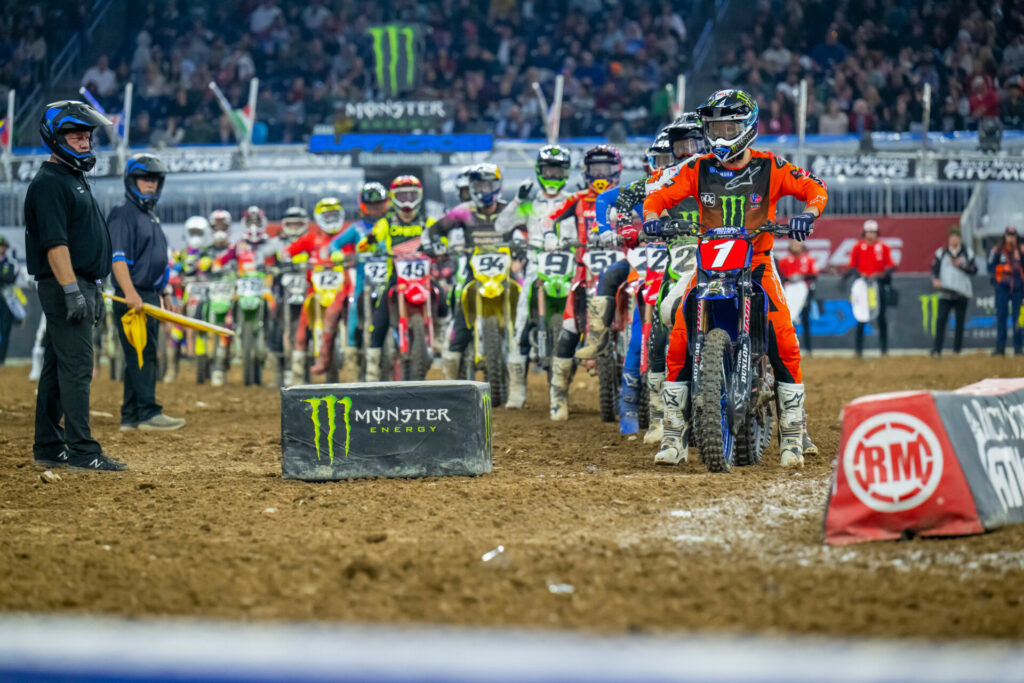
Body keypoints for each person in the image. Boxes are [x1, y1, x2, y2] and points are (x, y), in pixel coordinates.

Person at [643, 89, 828, 468]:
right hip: (708, 261)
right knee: (678, 336)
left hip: (757, 260)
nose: (722, 135)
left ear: (747, 126)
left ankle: (793, 435)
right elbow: (659, 195)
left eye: (729, 126)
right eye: (714, 127)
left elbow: (815, 187)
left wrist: (807, 215)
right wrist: (652, 217)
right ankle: (674, 436)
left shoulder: (770, 167)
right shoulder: (697, 168)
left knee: (783, 337)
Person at [24, 100, 124, 471]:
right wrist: (72, 290)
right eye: (77, 136)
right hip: (65, 284)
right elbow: (55, 243)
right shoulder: (50, 183)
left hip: (81, 282)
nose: (85, 143)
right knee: (77, 369)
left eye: (87, 137)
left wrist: (91, 285)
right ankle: (83, 450)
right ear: (57, 137)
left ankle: (49, 445)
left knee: (55, 367)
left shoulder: (70, 178)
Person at [108, 153, 186, 431]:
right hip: (133, 296)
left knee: (138, 355)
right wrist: (130, 293)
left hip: (149, 295)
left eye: (155, 180)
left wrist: (165, 293)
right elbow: (118, 259)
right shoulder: (123, 214)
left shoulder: (149, 216)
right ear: (131, 181)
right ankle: (149, 413)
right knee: (143, 355)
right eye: (145, 179)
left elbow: (154, 260)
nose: (151, 185)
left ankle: (130, 416)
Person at [545, 145, 622, 421]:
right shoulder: (577, 199)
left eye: (606, 169)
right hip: (583, 271)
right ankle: (558, 394)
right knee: (569, 328)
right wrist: (550, 237)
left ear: (616, 171)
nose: (600, 174)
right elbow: (549, 219)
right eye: (595, 170)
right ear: (586, 172)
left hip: (619, 270)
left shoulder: (624, 198)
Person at [495, 145, 573, 409]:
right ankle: (516, 391)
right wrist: (517, 200)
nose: (552, 174)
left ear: (566, 172)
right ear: (540, 171)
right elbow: (500, 226)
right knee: (520, 321)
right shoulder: (530, 204)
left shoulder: (573, 201)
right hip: (535, 265)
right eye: (548, 170)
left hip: (569, 263)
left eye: (557, 170)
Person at [430, 163, 511, 380]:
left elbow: (534, 226)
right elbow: (435, 229)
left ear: (498, 186)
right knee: (462, 321)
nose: (485, 191)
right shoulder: (464, 212)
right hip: (474, 275)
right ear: (472, 187)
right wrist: (437, 243)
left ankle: (532, 348)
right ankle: (450, 381)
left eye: (489, 185)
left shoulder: (508, 210)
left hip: (506, 275)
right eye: (479, 186)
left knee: (523, 311)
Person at [362, 176, 441, 381]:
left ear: (419, 197)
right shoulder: (386, 223)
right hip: (397, 277)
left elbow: (442, 238)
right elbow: (368, 241)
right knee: (379, 319)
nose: (407, 200)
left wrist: (441, 246)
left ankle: (442, 335)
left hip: (424, 276)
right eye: (402, 195)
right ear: (394, 198)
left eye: (411, 195)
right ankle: (372, 369)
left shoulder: (428, 222)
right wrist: (369, 243)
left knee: (446, 298)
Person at [309, 182, 391, 375]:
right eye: (372, 205)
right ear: (363, 206)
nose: (376, 209)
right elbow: (335, 244)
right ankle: (352, 355)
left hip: (388, 280)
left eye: (379, 204)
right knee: (354, 307)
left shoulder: (391, 226)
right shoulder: (358, 228)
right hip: (363, 283)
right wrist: (336, 254)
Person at [848, 220, 896, 357]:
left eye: (873, 232)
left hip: (877, 285)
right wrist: (860, 274)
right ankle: (858, 350)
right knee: (861, 317)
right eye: (868, 232)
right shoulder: (858, 247)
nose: (870, 235)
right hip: (862, 285)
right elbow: (852, 267)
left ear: (876, 233)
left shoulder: (884, 247)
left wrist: (881, 274)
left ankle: (884, 349)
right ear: (864, 233)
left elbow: (891, 266)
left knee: (881, 316)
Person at [930, 227, 978, 356]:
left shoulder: (967, 252)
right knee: (941, 320)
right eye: (952, 237)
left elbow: (974, 270)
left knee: (960, 322)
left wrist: (962, 266)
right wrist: (935, 279)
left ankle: (957, 349)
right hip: (945, 292)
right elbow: (934, 269)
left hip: (961, 292)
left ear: (960, 239)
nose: (954, 240)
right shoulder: (942, 252)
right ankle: (937, 349)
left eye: (956, 237)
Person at [777, 240, 819, 353]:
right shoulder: (784, 261)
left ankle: (808, 348)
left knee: (805, 319)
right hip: (789, 291)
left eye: (798, 244)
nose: (796, 246)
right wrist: (790, 279)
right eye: (794, 244)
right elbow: (780, 277)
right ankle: (788, 346)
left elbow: (814, 275)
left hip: (804, 292)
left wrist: (802, 277)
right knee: (788, 319)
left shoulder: (809, 260)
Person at [988, 226, 1024, 356]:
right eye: (1009, 235)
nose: (1011, 237)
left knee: (1018, 319)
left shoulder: (1021, 249)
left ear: (1016, 236)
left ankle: (1018, 348)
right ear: (1005, 236)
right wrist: (1002, 271)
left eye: (1013, 235)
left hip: (1018, 289)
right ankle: (1000, 347)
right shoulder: (997, 249)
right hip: (1002, 289)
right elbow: (990, 266)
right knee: (1001, 317)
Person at [0, 236, 22, 365]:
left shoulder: (11, 262)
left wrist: (3, 276)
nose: (1, 248)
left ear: (6, 247)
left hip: (7, 302)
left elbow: (11, 278)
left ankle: (1, 359)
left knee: (4, 330)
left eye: (3, 245)